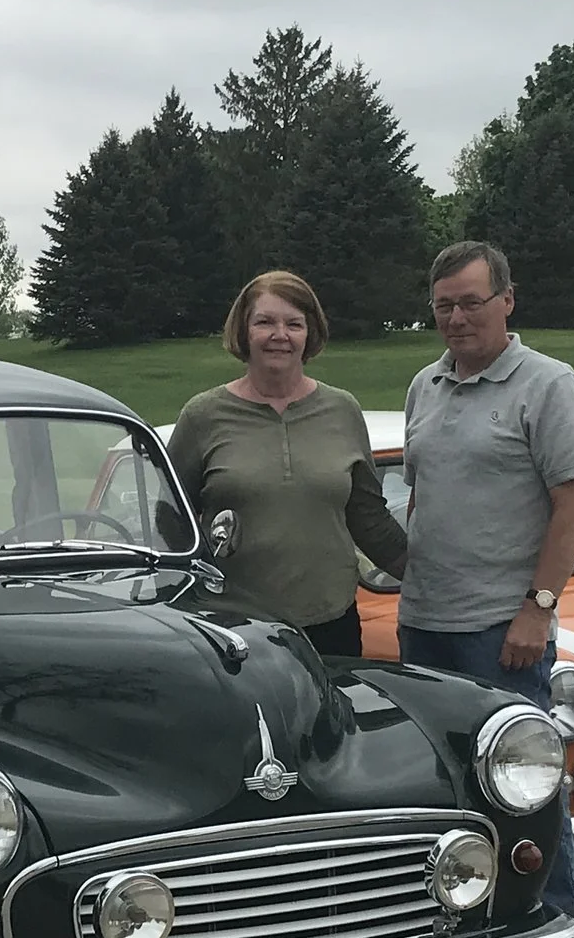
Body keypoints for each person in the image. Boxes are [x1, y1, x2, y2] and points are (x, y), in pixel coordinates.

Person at [398, 241, 574, 938]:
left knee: (526, 781)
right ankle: (460, 927)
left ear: (507, 300)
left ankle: (556, 937)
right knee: (443, 786)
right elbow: (421, 499)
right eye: (444, 304)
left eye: (471, 302)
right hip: (425, 622)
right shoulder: (425, 386)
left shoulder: (546, 384)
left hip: (501, 628)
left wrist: (538, 608)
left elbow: (573, 503)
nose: (456, 317)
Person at [166, 271, 405, 655]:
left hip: (332, 623)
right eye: (265, 322)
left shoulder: (342, 410)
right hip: (235, 628)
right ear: (244, 332)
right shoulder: (203, 416)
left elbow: (368, 518)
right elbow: (169, 522)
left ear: (310, 334)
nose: (281, 335)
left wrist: (429, 578)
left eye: (294, 324)